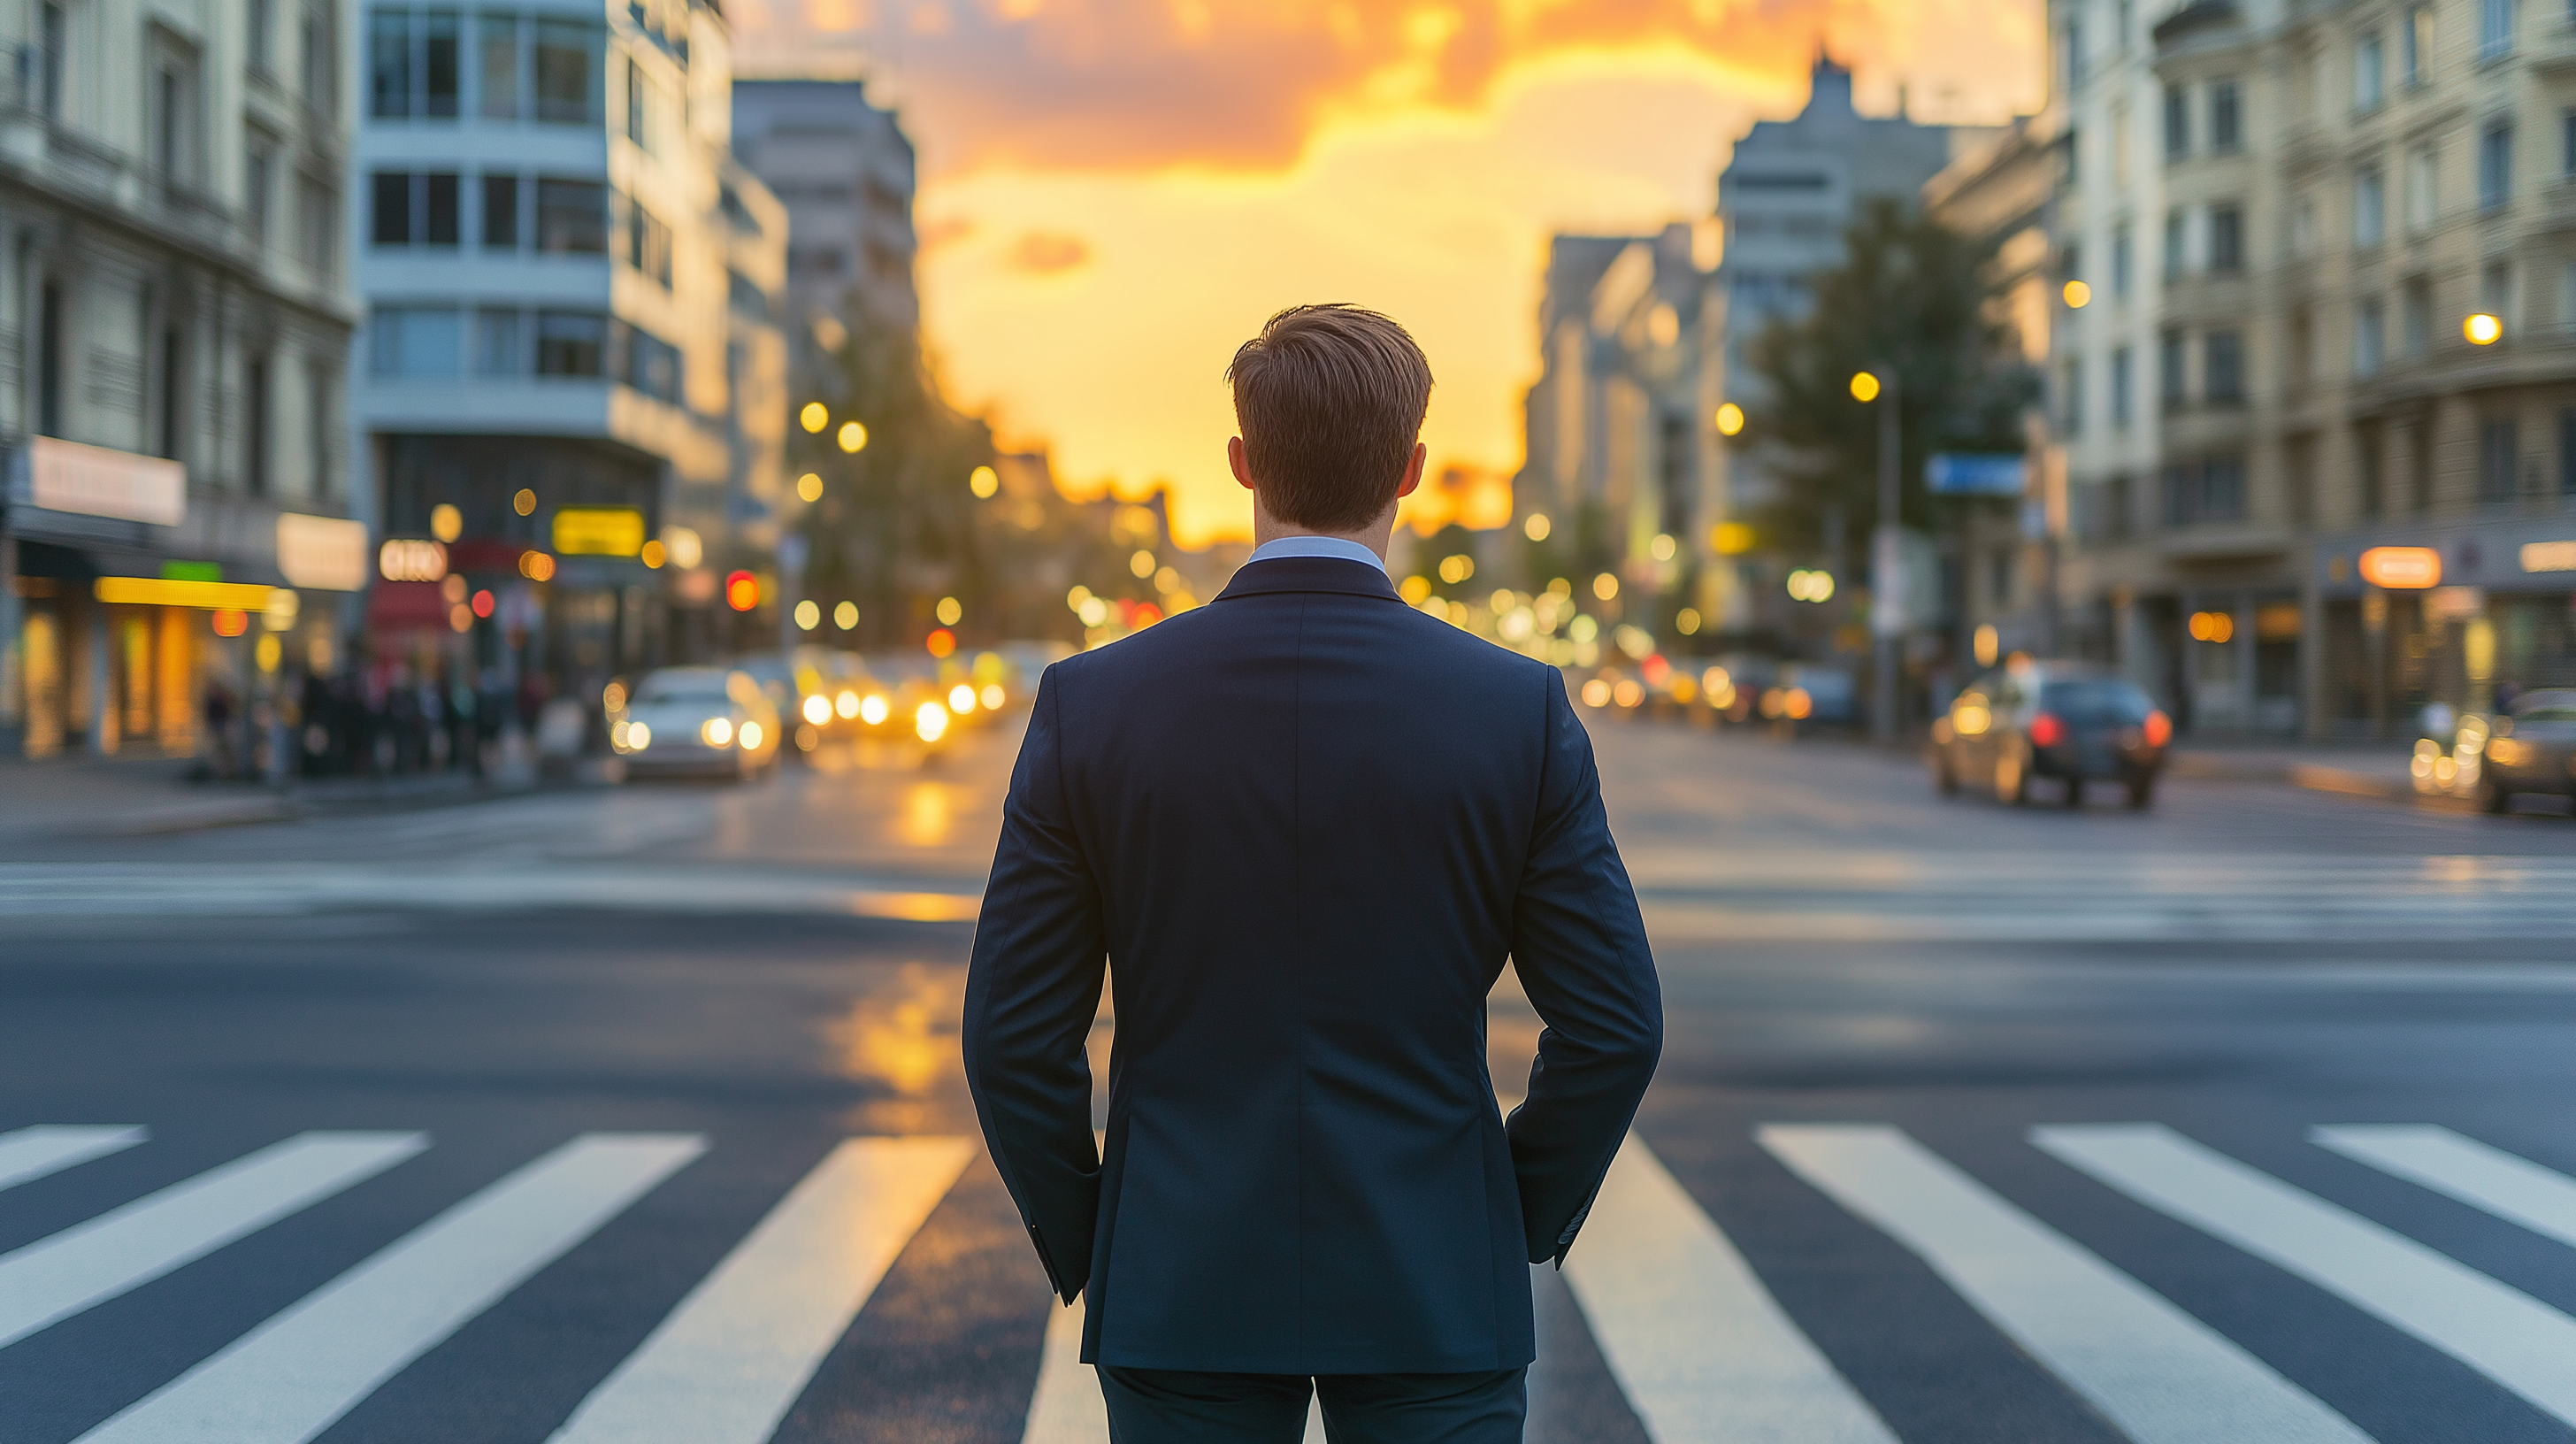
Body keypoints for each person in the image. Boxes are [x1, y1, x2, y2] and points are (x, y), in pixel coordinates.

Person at [962, 304, 1662, 1442]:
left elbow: (1009, 1038)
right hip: (1434, 1272)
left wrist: (1099, 1233)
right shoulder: (1515, 712)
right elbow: (1616, 1027)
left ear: (1240, 463)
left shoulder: (1091, 707)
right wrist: (1499, 1217)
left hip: (1179, 1275)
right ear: (1411, 471)